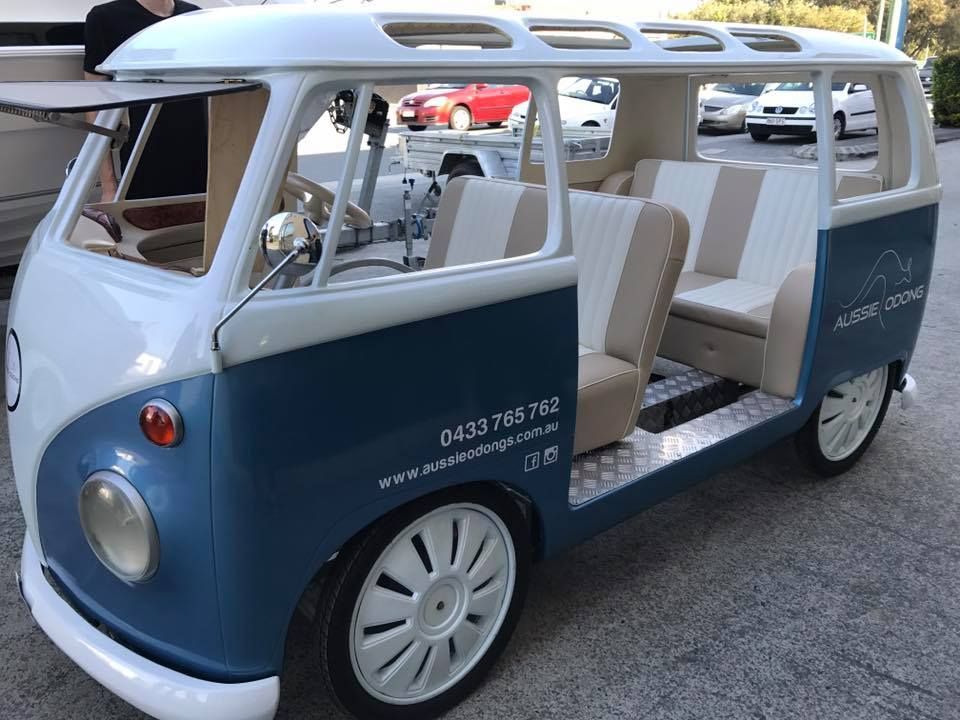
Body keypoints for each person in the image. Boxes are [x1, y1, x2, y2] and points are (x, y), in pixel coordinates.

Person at [84, 0, 208, 201]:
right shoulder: (106, 17)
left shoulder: (194, 17)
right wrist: (109, 186)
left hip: (199, 159)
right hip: (142, 162)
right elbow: (95, 105)